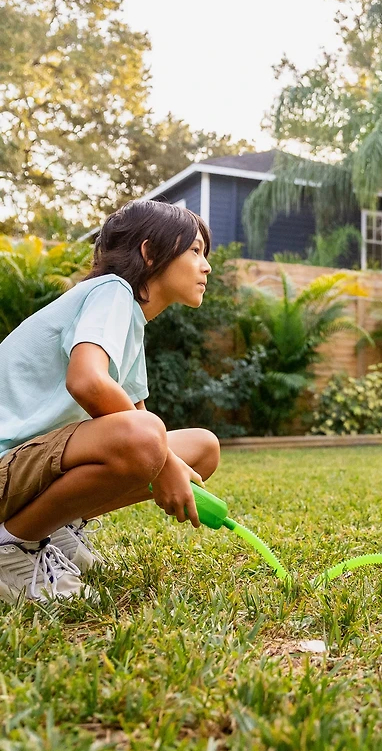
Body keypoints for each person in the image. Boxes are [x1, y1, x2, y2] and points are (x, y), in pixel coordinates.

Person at [0, 200, 220, 603]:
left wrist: (167, 461)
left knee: (201, 449)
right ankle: (12, 547)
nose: (206, 266)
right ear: (150, 252)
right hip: (5, 468)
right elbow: (86, 382)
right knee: (151, 442)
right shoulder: (112, 291)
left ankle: (55, 528)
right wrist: (164, 461)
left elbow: (137, 417)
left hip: (26, 469)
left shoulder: (131, 322)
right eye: (194, 251)